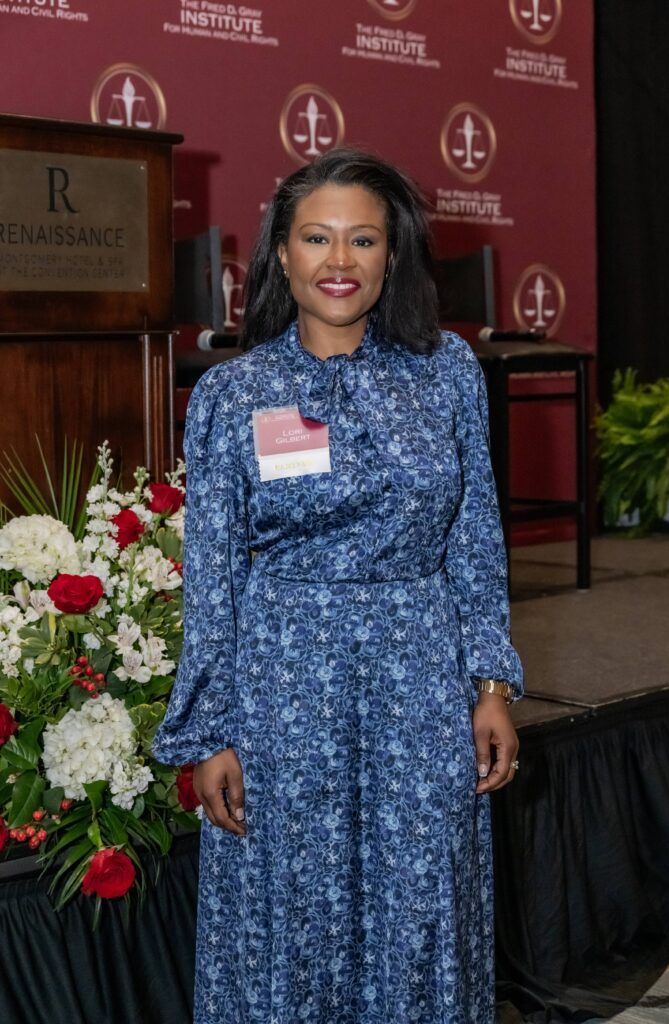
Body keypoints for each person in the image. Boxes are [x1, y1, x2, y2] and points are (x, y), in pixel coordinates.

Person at [152, 147, 523, 1024]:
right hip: (284, 689)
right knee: (289, 908)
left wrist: (492, 684)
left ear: (393, 254)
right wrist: (211, 731)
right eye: (317, 238)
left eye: (364, 239)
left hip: (420, 681)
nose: (340, 260)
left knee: (423, 901)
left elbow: (474, 537)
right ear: (281, 253)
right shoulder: (235, 393)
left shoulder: (447, 372)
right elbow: (213, 575)